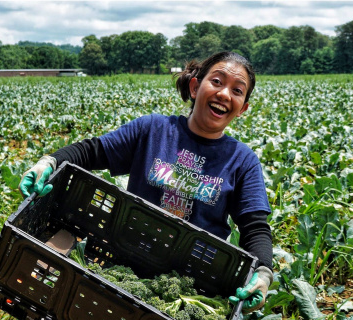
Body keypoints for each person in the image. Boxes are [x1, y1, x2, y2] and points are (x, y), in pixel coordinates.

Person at [19, 51, 273, 315]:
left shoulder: (242, 161)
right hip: (126, 262)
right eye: (217, 82)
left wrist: (263, 275)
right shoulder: (153, 130)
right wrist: (48, 162)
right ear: (195, 87)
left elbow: (254, 227)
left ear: (242, 108)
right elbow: (92, 151)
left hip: (195, 282)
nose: (224, 94)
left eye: (237, 90)